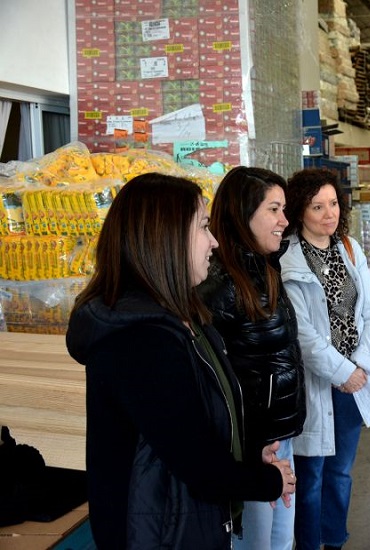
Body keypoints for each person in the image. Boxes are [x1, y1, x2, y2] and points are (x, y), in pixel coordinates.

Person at [66, 173, 296, 549]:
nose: (214, 241)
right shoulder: (140, 340)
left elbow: (193, 418)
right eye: (203, 227)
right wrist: (267, 481)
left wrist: (247, 448)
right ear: (166, 239)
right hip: (158, 532)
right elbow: (195, 462)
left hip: (180, 520)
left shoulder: (179, 315)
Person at [280, 168, 370, 550]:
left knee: (341, 473)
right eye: (317, 206)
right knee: (310, 476)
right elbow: (302, 335)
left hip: (354, 383)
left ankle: (334, 541)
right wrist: (342, 371)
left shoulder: (348, 247)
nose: (329, 214)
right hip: (316, 384)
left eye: (333, 204)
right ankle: (309, 543)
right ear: (299, 211)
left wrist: (361, 365)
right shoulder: (287, 260)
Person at [197, 167, 306, 550]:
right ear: (244, 215)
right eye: (274, 210)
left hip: (279, 436)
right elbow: (215, 380)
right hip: (251, 446)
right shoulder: (219, 284)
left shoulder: (265, 267)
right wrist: (252, 444)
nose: (284, 221)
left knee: (279, 543)